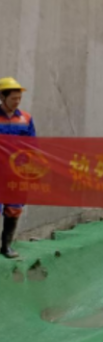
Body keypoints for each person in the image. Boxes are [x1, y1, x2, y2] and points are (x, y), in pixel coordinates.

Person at [0, 77, 36, 259]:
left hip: (16, 172)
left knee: (14, 209)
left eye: (19, 98)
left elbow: (32, 145)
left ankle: (6, 246)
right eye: (13, 98)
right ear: (2, 97)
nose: (17, 101)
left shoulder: (26, 119)